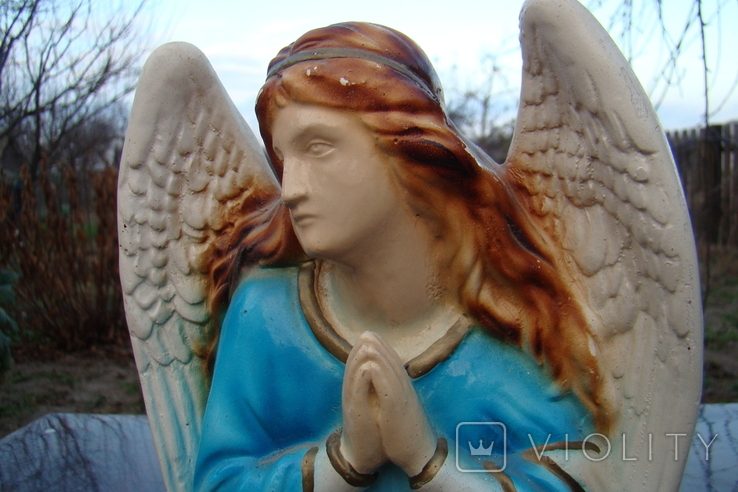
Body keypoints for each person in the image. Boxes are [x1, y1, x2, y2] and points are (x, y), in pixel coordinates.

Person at [194, 22, 607, 491]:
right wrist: (345, 462)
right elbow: (215, 482)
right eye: (285, 159)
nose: (290, 190)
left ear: (404, 147)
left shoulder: (513, 324)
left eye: (318, 147)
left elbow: (588, 475)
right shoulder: (262, 317)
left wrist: (426, 459)